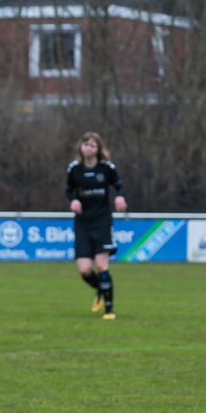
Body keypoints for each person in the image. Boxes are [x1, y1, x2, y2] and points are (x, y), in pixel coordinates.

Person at [66, 132, 126, 320]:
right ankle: (100, 290)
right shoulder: (74, 169)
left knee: (101, 265)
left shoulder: (106, 168)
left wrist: (120, 196)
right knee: (84, 269)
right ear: (80, 148)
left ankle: (109, 310)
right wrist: (73, 201)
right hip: (83, 222)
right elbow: (69, 190)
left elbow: (119, 185)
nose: (88, 148)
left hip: (102, 221)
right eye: (85, 144)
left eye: (92, 145)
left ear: (98, 149)